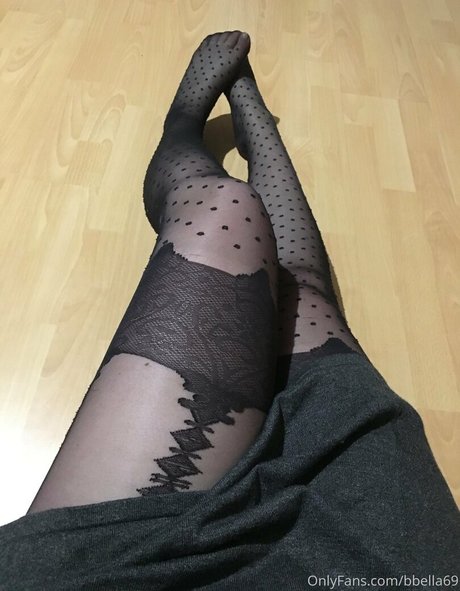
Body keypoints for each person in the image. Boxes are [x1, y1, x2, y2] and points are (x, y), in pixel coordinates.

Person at [0, 31, 458, 590]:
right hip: (376, 549)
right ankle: (257, 129)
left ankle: (184, 124)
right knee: (303, 292)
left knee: (225, 208)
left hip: (119, 568)